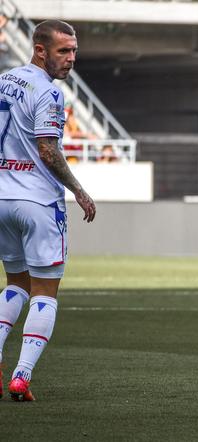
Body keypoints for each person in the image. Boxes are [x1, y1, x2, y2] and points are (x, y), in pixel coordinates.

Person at [0, 20, 96, 401]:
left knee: (15, 285)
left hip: (2, 198)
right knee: (45, 291)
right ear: (40, 50)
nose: (71, 59)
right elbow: (48, 151)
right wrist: (79, 190)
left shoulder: (4, 80)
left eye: (74, 51)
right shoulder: (48, 93)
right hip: (38, 202)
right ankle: (21, 376)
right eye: (63, 51)